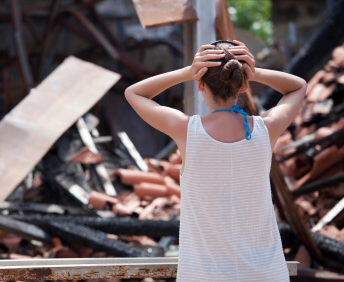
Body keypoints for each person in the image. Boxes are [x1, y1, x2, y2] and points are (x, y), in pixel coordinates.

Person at [125, 40, 306, 281]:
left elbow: (134, 92)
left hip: (203, 275)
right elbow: (298, 86)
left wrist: (186, 72)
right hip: (266, 273)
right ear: (243, 85)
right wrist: (256, 72)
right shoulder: (267, 129)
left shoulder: (186, 130)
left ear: (200, 84)